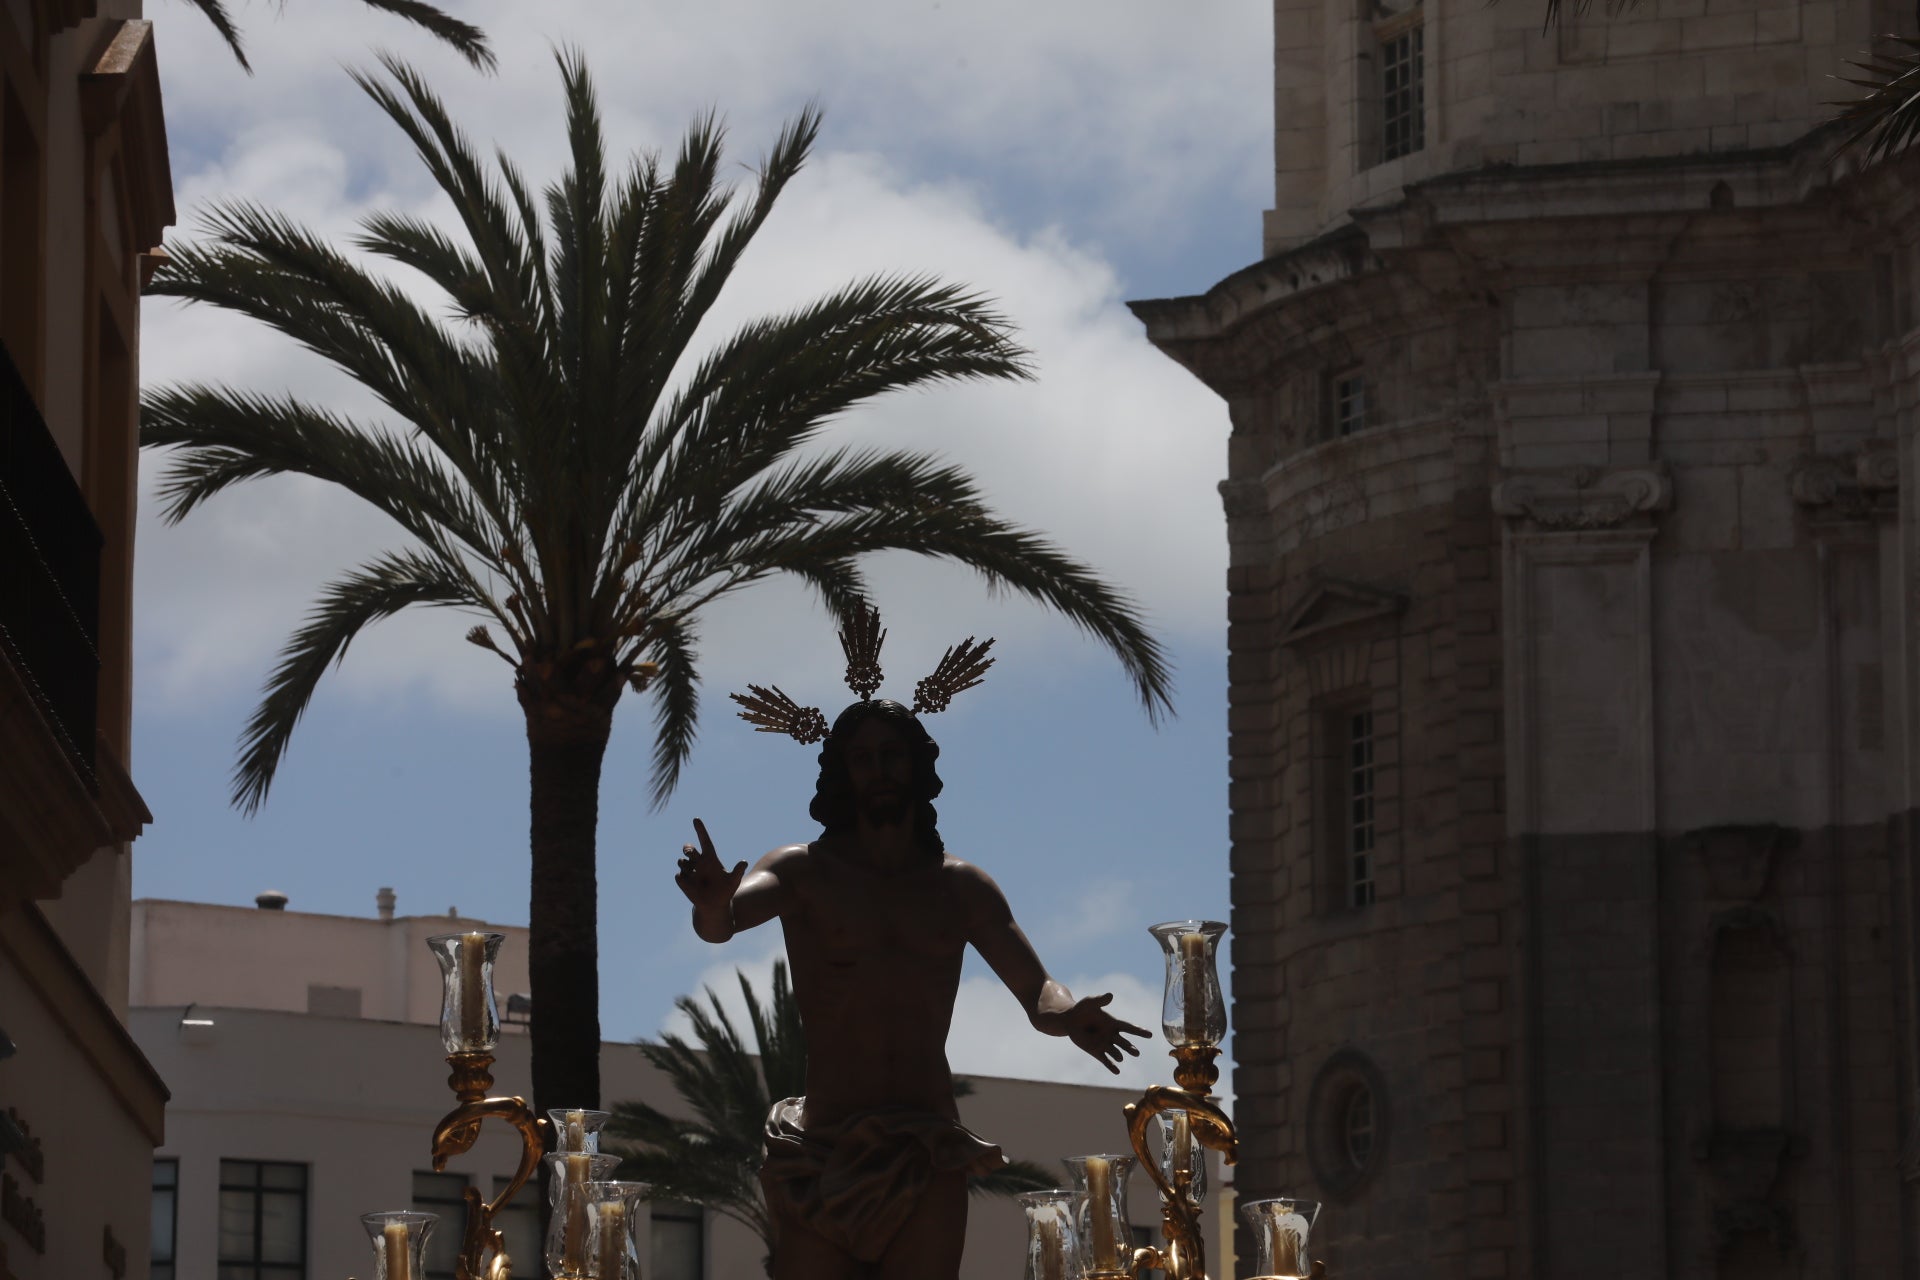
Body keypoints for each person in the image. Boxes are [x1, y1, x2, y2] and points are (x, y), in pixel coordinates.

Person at [675, 697, 1150, 1280]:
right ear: (842, 772)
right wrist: (713, 904)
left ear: (918, 765)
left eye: (891, 755)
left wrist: (1070, 1013)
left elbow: (1037, 988)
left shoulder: (961, 887)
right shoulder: (803, 872)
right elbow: (724, 923)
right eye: (862, 758)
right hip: (822, 1148)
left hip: (925, 1146)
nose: (878, 770)